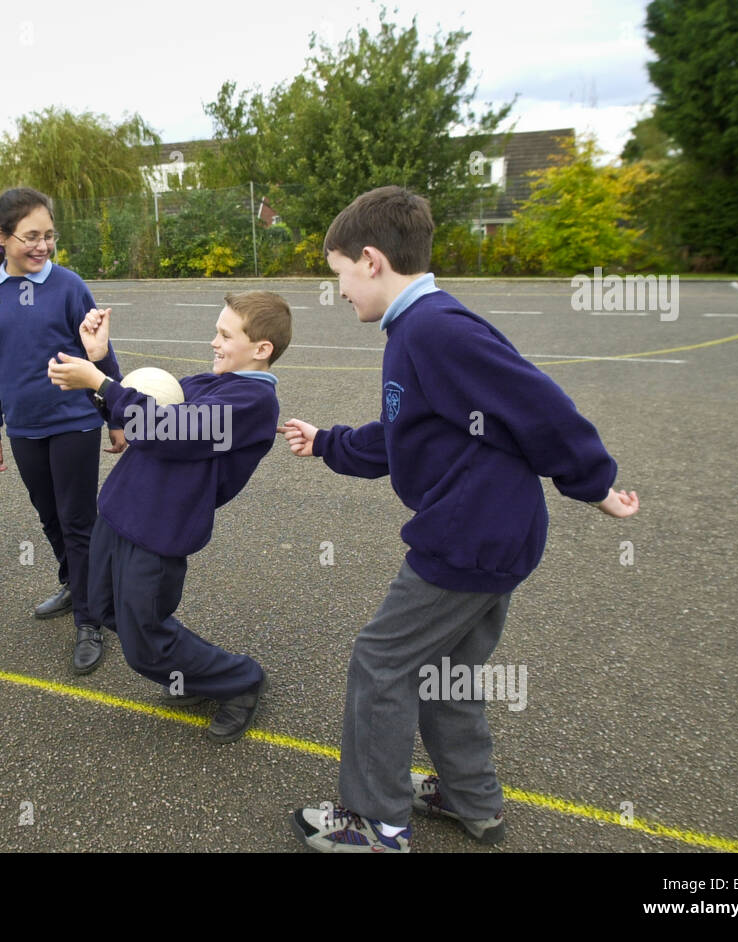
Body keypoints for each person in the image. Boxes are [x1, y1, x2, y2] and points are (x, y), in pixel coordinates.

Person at [281, 185, 640, 853]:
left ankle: (377, 823)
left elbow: (540, 406)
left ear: (370, 260)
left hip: (468, 539)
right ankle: (474, 802)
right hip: (494, 534)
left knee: (381, 662)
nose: (339, 294)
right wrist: (327, 441)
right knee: (441, 671)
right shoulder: (415, 330)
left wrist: (595, 485)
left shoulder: (436, 329)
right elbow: (403, 433)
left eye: (338, 277)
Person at [46, 290, 292, 742]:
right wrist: (101, 363)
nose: (214, 342)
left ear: (261, 349)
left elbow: (169, 431)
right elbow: (142, 414)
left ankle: (241, 681)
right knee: (103, 608)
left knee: (144, 647)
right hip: (119, 512)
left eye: (225, 334)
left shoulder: (253, 404)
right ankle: (190, 673)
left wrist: (99, 383)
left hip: (159, 531)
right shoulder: (207, 381)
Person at [0, 187, 125, 674]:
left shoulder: (69, 286)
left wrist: (117, 415)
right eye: (30, 236)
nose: (42, 246)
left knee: (79, 521)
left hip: (74, 421)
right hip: (25, 429)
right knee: (49, 517)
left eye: (49, 236)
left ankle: (90, 618)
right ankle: (74, 584)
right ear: (0, 237)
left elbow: (101, 353)